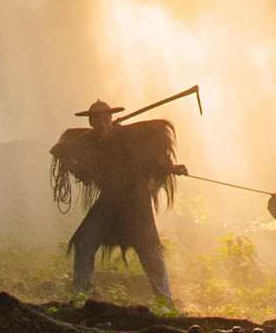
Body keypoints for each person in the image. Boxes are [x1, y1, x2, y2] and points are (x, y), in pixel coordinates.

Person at [50, 99, 186, 301]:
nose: (101, 125)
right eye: (96, 121)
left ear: (111, 119)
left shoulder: (130, 139)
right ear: (91, 124)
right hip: (109, 203)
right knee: (84, 241)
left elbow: (152, 163)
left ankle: (165, 300)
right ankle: (81, 294)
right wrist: (64, 158)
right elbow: (86, 177)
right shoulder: (90, 145)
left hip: (136, 203)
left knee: (149, 249)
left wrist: (173, 168)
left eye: (104, 120)